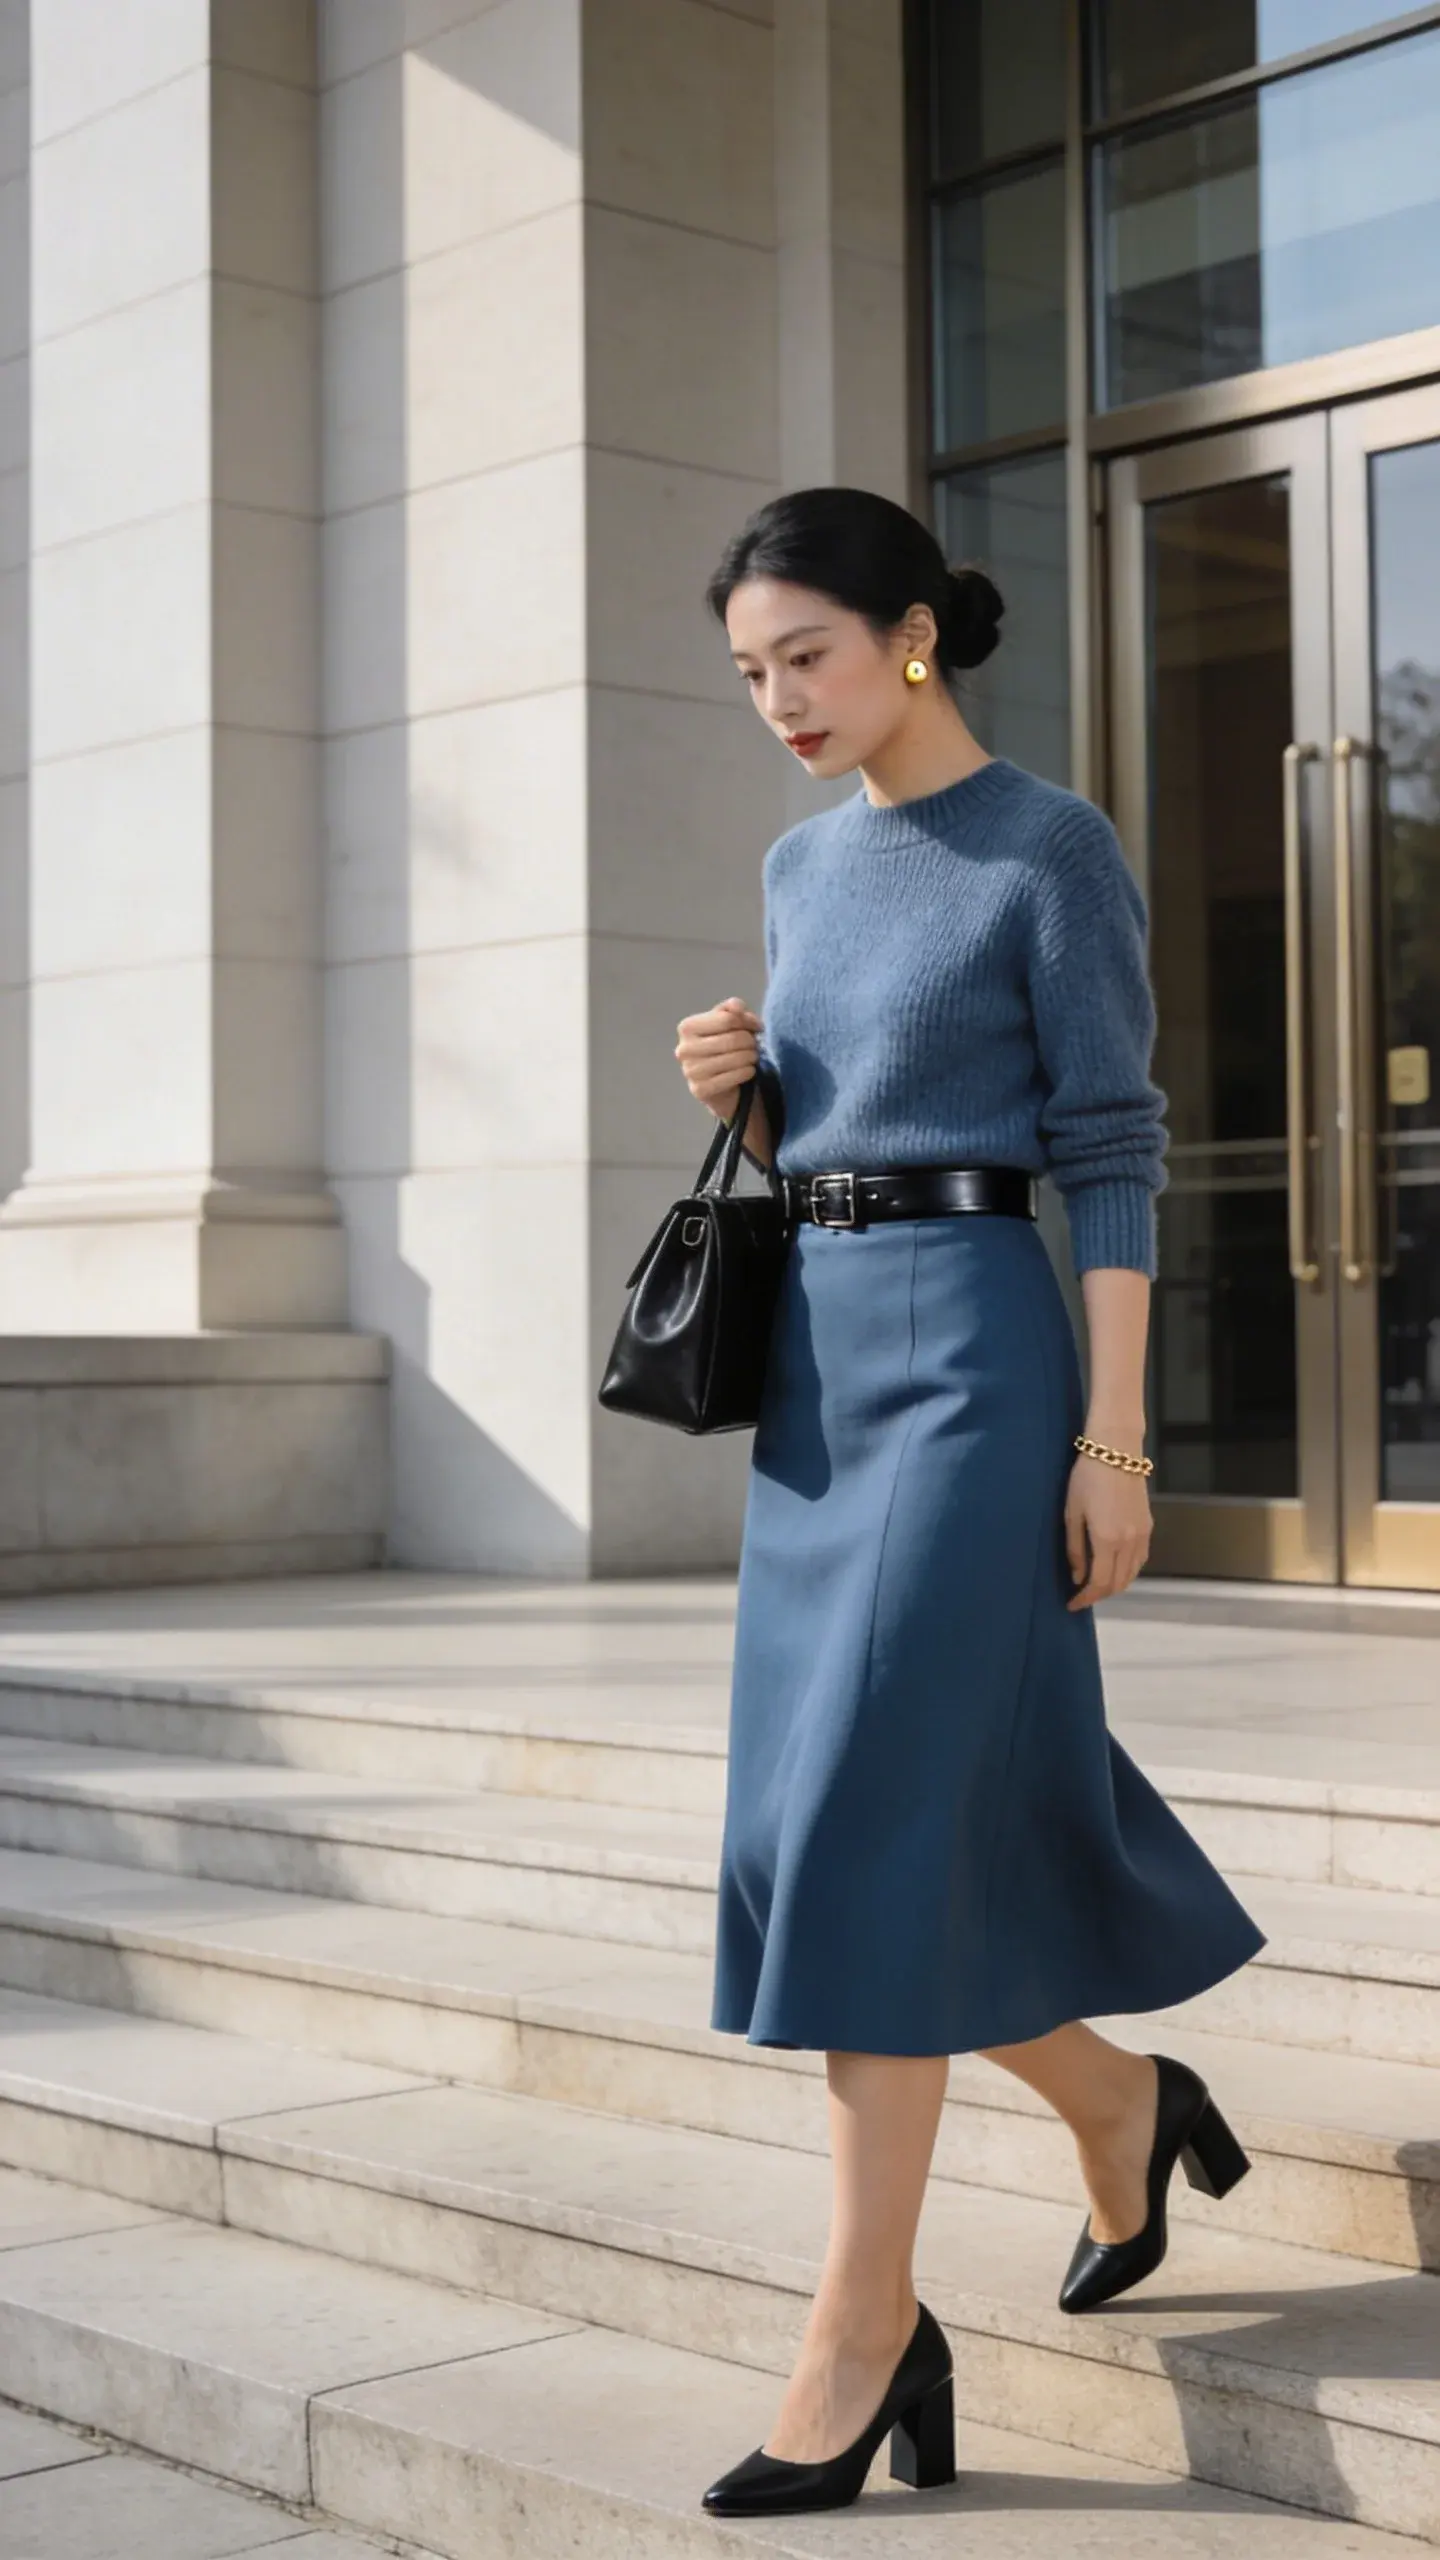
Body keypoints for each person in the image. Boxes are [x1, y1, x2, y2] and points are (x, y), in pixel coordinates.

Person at [673, 486, 1267, 2521]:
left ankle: (860, 2326)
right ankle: (1120, 2095)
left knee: (857, 1827)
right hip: (823, 1377)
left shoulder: (1052, 846)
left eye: (805, 657)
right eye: (750, 673)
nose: (779, 702)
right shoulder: (795, 864)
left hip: (976, 1363)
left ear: (913, 632)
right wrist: (748, 1085)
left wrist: (1114, 1439)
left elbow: (1107, 1148)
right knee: (848, 1828)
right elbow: (842, 1121)